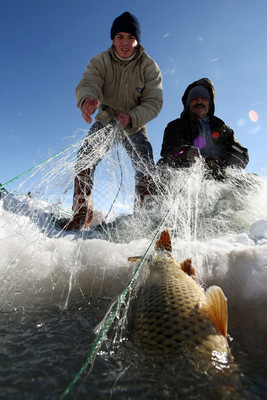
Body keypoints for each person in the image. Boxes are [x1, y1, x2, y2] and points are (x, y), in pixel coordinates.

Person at [62, 12, 163, 230]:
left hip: (134, 124)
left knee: (145, 163)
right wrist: (87, 99)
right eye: (120, 36)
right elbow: (89, 81)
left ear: (138, 41)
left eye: (130, 37)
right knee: (84, 161)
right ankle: (81, 215)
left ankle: (143, 222)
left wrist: (132, 117)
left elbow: (154, 102)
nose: (125, 42)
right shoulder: (101, 61)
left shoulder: (149, 67)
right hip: (106, 120)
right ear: (113, 39)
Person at [158, 78, 249, 178]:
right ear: (188, 104)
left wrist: (232, 162)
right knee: (164, 165)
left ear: (210, 105)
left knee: (252, 181)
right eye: (194, 98)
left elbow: (242, 153)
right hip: (187, 177)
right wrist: (186, 152)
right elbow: (167, 152)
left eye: (204, 98)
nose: (199, 100)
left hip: (219, 179)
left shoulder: (223, 129)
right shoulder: (176, 126)